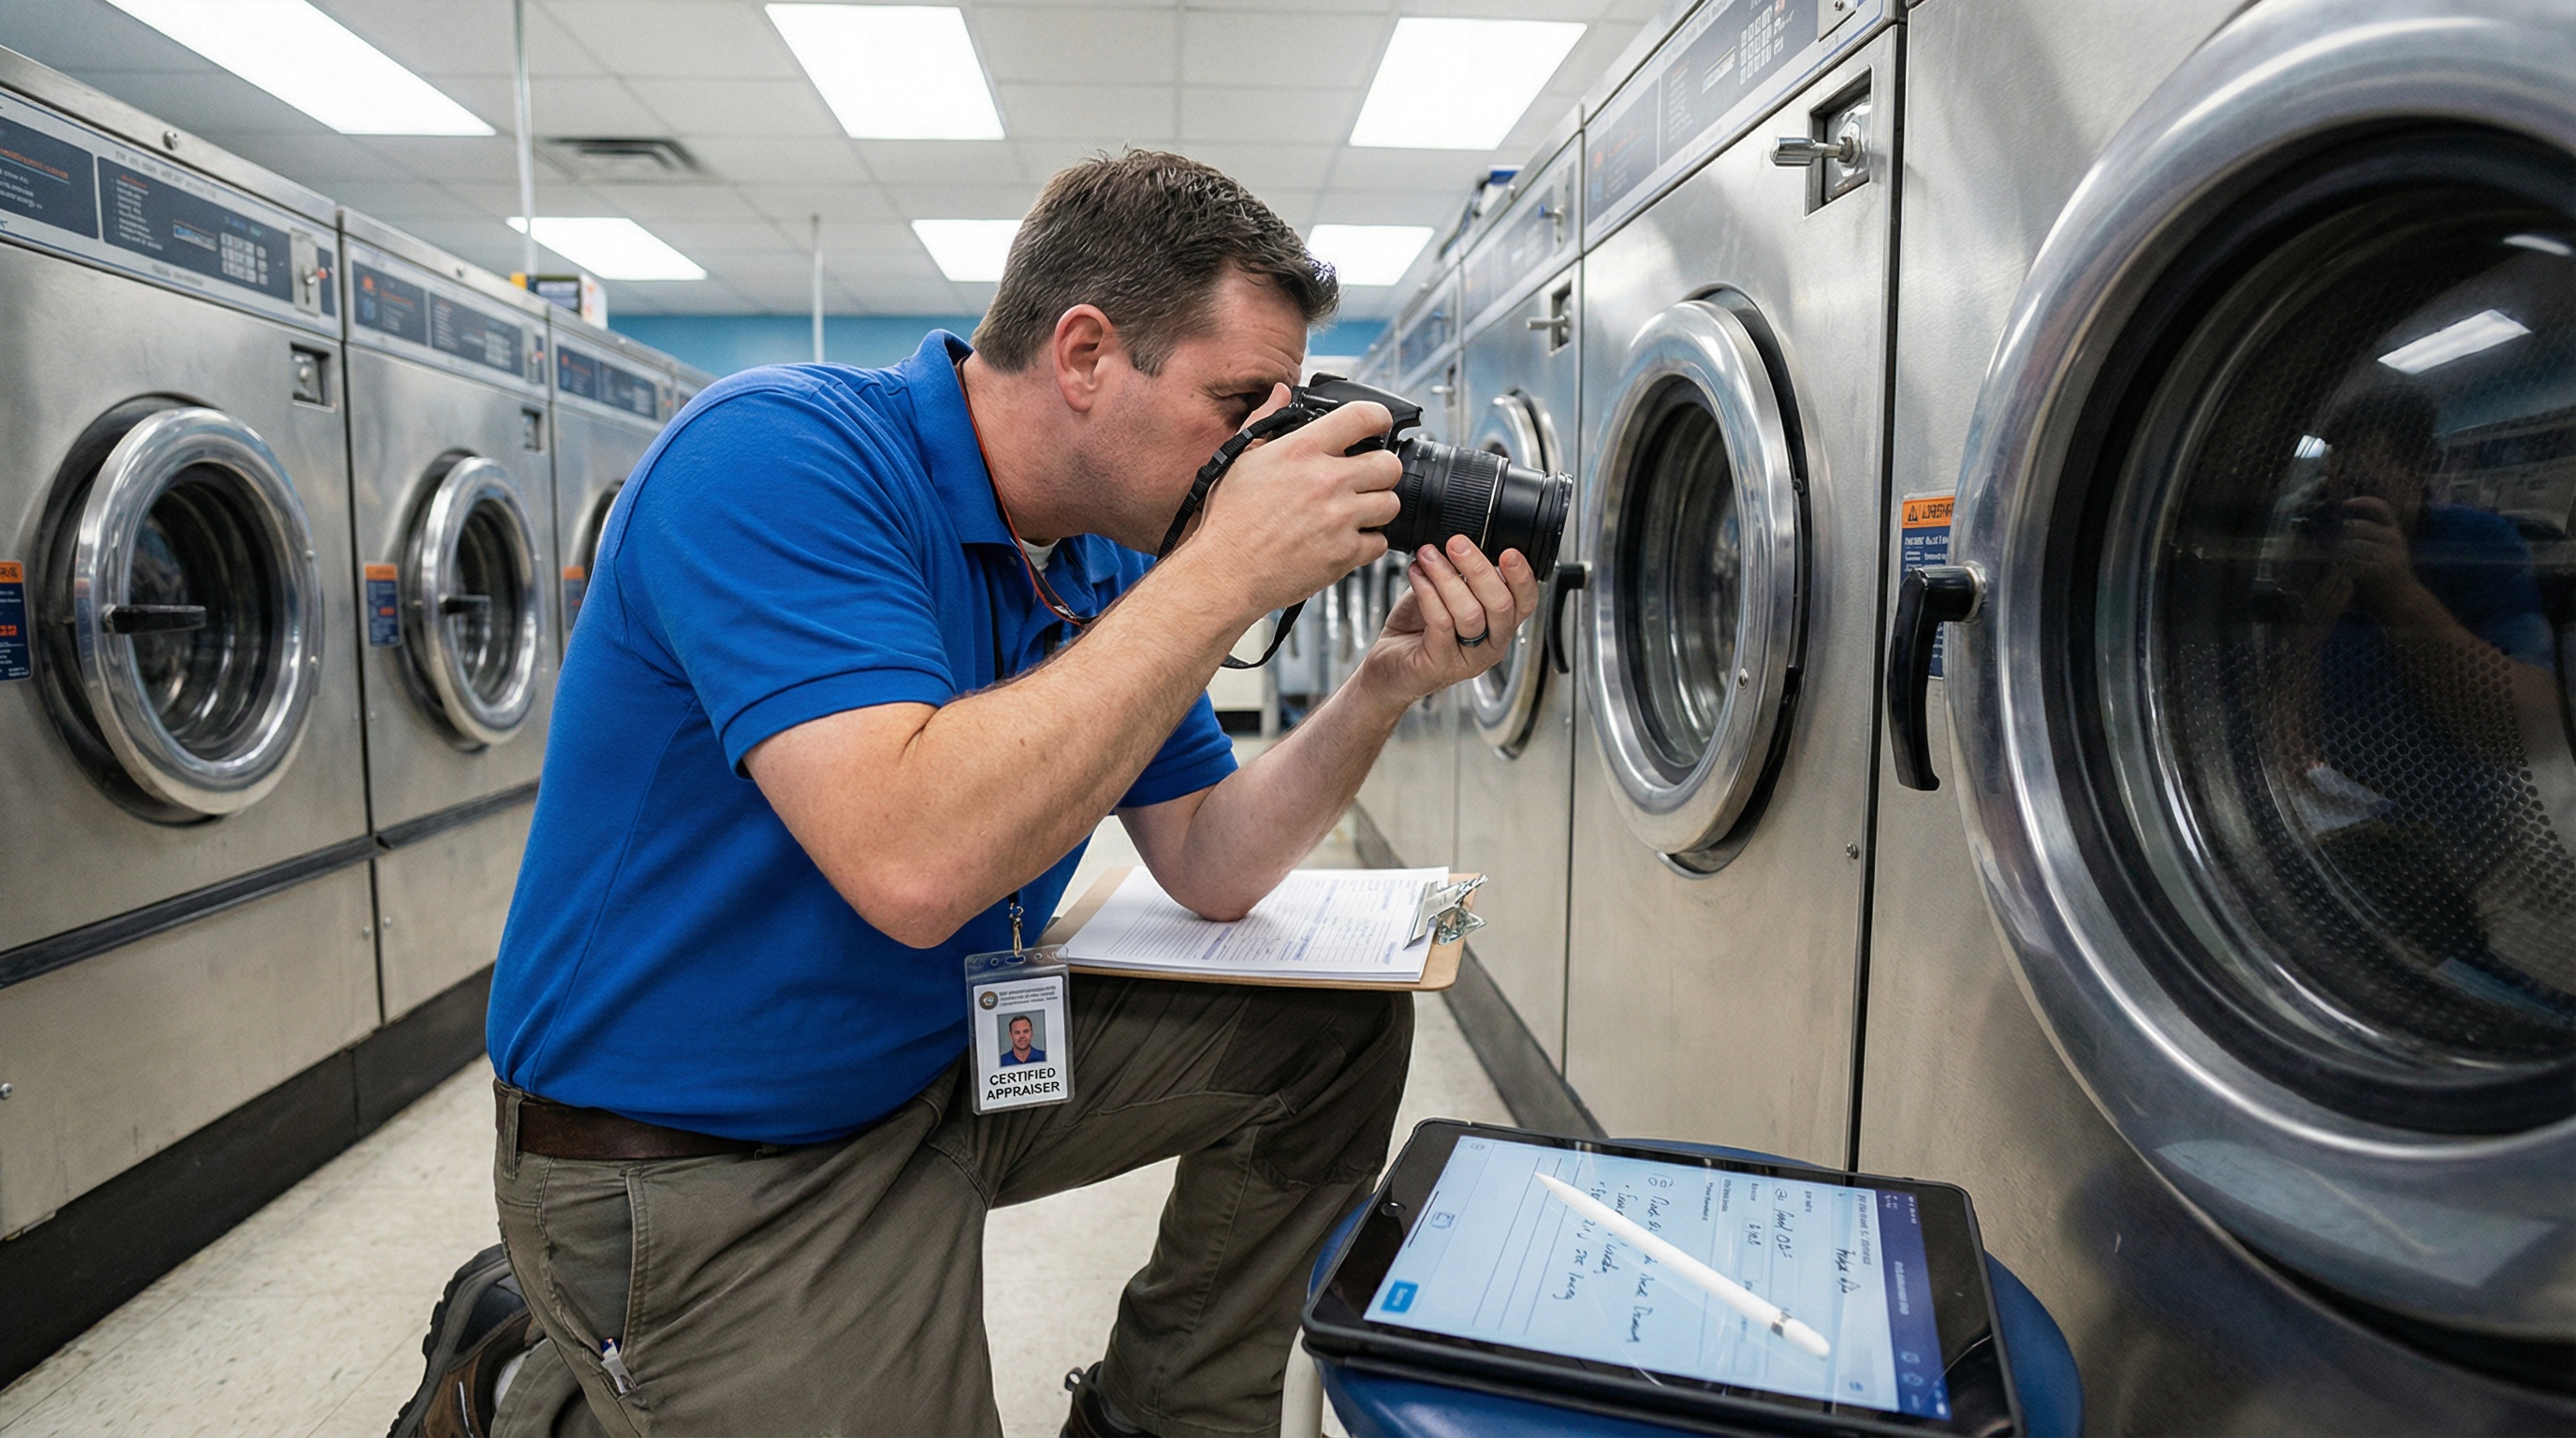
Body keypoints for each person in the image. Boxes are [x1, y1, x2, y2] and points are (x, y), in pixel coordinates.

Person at [388, 150, 1541, 1438]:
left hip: (942, 1065)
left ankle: (1159, 1417)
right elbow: (915, 867)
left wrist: (1383, 682)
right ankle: (531, 1383)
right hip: (705, 1159)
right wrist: (1221, 576)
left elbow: (1212, 862)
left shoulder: (1105, 558)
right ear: (1087, 355)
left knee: (1328, 1030)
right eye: (1241, 408)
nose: (1263, 452)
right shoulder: (777, 461)